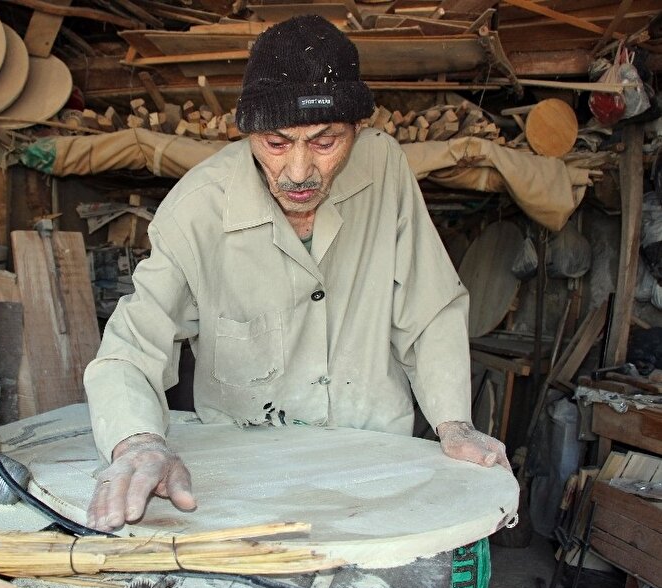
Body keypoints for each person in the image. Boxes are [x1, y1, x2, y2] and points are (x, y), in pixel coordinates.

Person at [84, 14, 509, 533]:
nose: (301, 172)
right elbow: (131, 347)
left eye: (326, 142)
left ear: (358, 130)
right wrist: (138, 441)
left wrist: (454, 423)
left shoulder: (384, 169)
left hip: (376, 467)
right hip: (248, 480)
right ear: (248, 134)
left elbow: (430, 305)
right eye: (277, 143)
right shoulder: (195, 210)